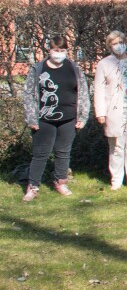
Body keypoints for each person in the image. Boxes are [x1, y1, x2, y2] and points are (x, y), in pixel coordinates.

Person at [22, 36, 89, 201]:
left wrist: (82, 115)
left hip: (68, 118)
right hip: (43, 119)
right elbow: (29, 94)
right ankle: (33, 186)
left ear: (66, 51)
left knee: (63, 152)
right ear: (49, 50)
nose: (59, 54)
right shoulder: (38, 69)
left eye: (62, 50)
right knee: (40, 154)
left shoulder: (74, 68)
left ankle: (60, 181)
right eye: (55, 50)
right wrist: (31, 118)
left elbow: (83, 92)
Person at [93, 31, 127, 191]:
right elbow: (99, 89)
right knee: (116, 146)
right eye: (115, 43)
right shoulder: (104, 63)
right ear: (110, 45)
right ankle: (116, 179)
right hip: (114, 111)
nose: (119, 46)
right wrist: (101, 113)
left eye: (121, 42)